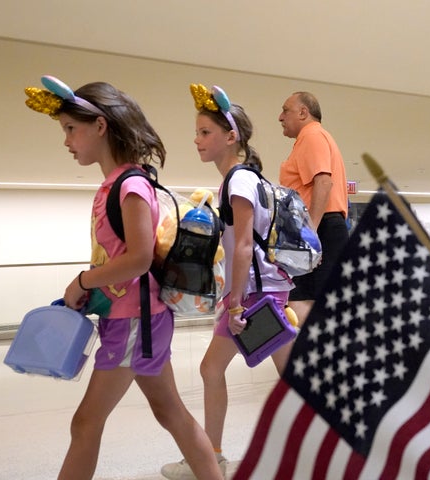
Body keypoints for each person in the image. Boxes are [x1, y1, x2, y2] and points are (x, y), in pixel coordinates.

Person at [24, 76, 223, 479]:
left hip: (135, 321)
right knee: (172, 414)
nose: (67, 141)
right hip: (137, 319)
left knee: (85, 423)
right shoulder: (118, 183)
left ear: (100, 126)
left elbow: (137, 259)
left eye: (70, 129)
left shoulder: (129, 185)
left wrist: (83, 281)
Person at [160, 84, 295, 480]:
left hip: (254, 296)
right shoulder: (244, 178)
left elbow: (242, 247)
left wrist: (235, 304)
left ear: (231, 136)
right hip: (268, 290)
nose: (197, 139)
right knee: (287, 373)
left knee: (210, 368)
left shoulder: (238, 180)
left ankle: (211, 456)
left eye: (206, 132)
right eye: (198, 132)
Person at [276, 91, 349, 331]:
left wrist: (311, 234)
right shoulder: (312, 138)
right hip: (322, 227)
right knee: (305, 299)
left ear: (303, 112)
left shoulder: (312, 135)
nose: (280, 117)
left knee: (300, 300)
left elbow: (323, 182)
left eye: (286, 110)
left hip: (320, 227)